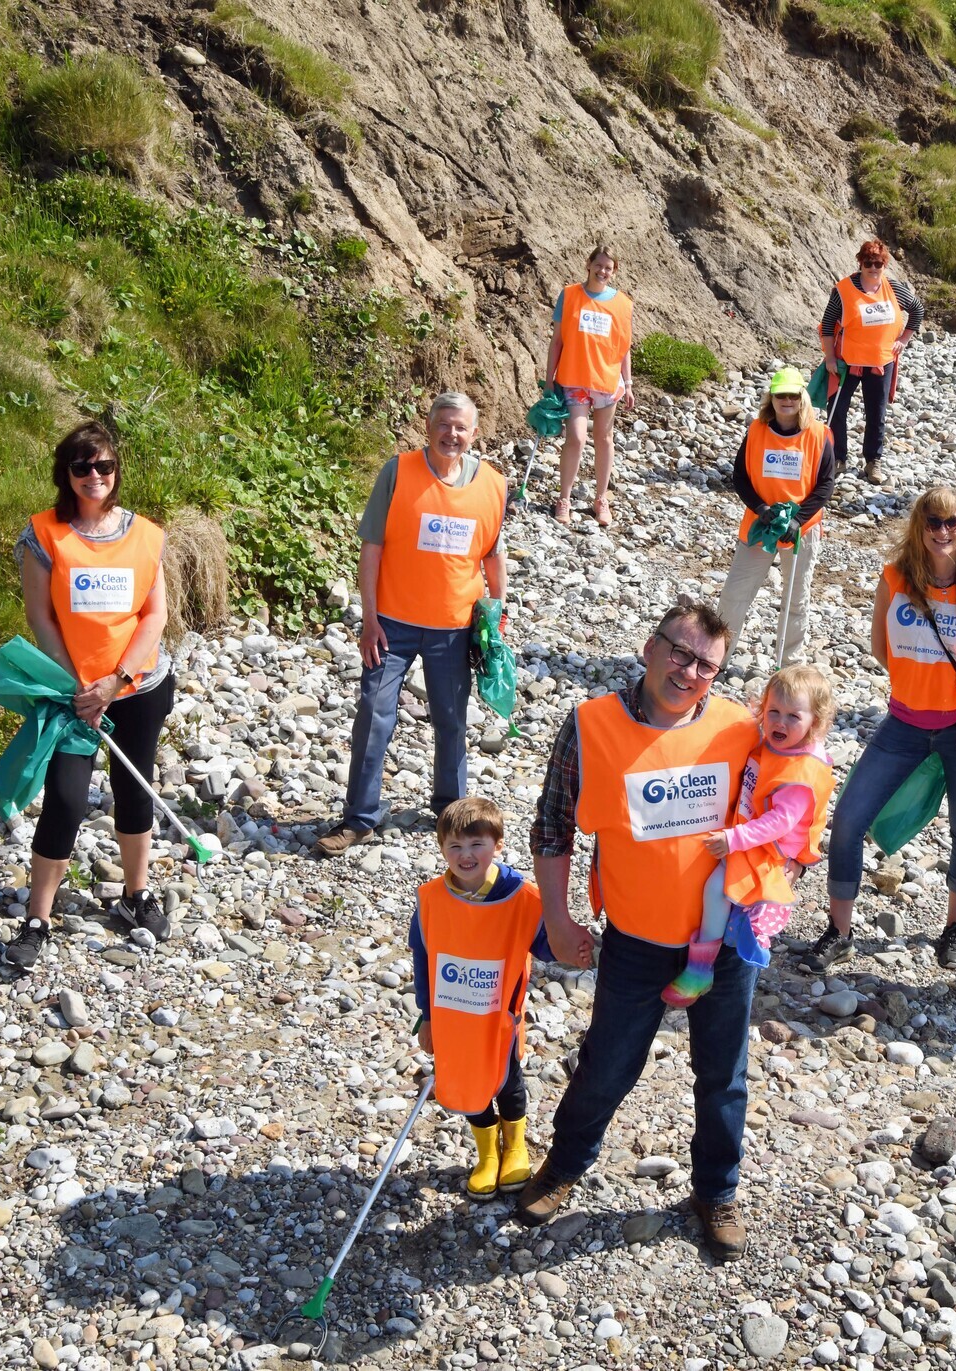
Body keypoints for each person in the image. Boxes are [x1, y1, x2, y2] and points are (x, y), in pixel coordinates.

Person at [519, 603, 763, 1259]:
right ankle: (565, 1163)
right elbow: (553, 826)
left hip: (724, 941)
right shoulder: (590, 724)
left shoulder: (741, 728)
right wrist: (557, 917)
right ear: (650, 648)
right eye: (680, 653)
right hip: (635, 940)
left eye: (707, 664)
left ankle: (716, 1190)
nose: (690, 672)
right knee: (606, 1064)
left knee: (723, 1075)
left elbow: (794, 794)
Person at [803, 488, 956, 974]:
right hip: (903, 724)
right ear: (919, 527)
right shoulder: (895, 578)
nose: (943, 531)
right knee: (848, 820)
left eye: (953, 522)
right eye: (933, 522)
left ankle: (955, 927)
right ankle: (839, 933)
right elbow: (881, 648)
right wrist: (920, 679)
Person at [7, 422, 173, 969]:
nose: (94, 476)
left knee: (134, 788)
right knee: (67, 798)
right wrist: (78, 684)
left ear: (116, 470)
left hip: (137, 686)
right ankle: (37, 918)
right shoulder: (43, 534)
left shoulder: (145, 534)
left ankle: (135, 895)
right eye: (82, 467)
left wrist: (115, 681)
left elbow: (155, 615)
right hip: (71, 693)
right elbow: (41, 617)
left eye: (104, 466)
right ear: (67, 474)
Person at [314, 394, 508, 856]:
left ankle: (451, 812)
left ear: (474, 433)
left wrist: (497, 618)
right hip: (392, 625)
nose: (451, 434)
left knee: (451, 721)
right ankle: (359, 819)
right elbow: (371, 549)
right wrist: (369, 619)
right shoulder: (398, 472)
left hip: (455, 627)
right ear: (428, 426)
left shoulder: (493, 485)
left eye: (460, 427)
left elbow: (493, 556)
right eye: (444, 424)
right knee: (373, 714)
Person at [667, 665, 838, 1006]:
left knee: (717, 887)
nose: (780, 723)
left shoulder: (801, 771)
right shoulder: (777, 745)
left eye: (793, 716)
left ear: (815, 723)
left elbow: (781, 822)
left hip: (770, 850)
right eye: (773, 711)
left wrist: (734, 839)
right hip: (755, 838)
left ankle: (703, 966)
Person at [410, 798, 552, 1198]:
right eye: (455, 846)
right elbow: (423, 958)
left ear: (498, 845)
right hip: (452, 1017)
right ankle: (488, 1154)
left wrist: (573, 941)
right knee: (465, 1081)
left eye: (477, 844)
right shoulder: (430, 899)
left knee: (508, 1080)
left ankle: (516, 1147)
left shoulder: (523, 897)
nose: (466, 855)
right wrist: (427, 1016)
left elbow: (546, 946)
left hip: (499, 1015)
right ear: (441, 849)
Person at [715, 368, 837, 667]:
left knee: (796, 599)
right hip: (760, 525)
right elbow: (740, 477)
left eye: (793, 395)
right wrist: (761, 509)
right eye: (781, 394)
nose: (787, 400)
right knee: (734, 594)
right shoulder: (757, 430)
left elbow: (825, 484)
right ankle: (716, 658)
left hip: (801, 529)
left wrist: (799, 519)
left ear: (802, 398)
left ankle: (789, 663)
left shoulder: (819, 434)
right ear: (771, 397)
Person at [819, 240, 922, 486]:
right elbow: (827, 325)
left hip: (881, 362)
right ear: (860, 263)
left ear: (884, 265)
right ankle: (837, 458)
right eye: (868, 263)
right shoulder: (843, 290)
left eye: (878, 263)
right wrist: (830, 357)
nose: (873, 268)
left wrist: (904, 340)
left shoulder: (894, 288)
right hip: (847, 361)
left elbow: (917, 310)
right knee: (837, 410)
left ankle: (873, 461)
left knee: (877, 413)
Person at [544, 246, 634, 527]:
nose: (602, 271)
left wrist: (628, 383)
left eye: (608, 268)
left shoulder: (623, 303)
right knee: (577, 437)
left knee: (604, 439)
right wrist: (549, 380)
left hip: (607, 380)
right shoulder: (570, 295)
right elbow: (557, 341)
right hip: (574, 378)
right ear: (589, 264)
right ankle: (564, 499)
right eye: (599, 265)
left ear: (614, 271)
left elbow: (624, 348)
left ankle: (601, 499)